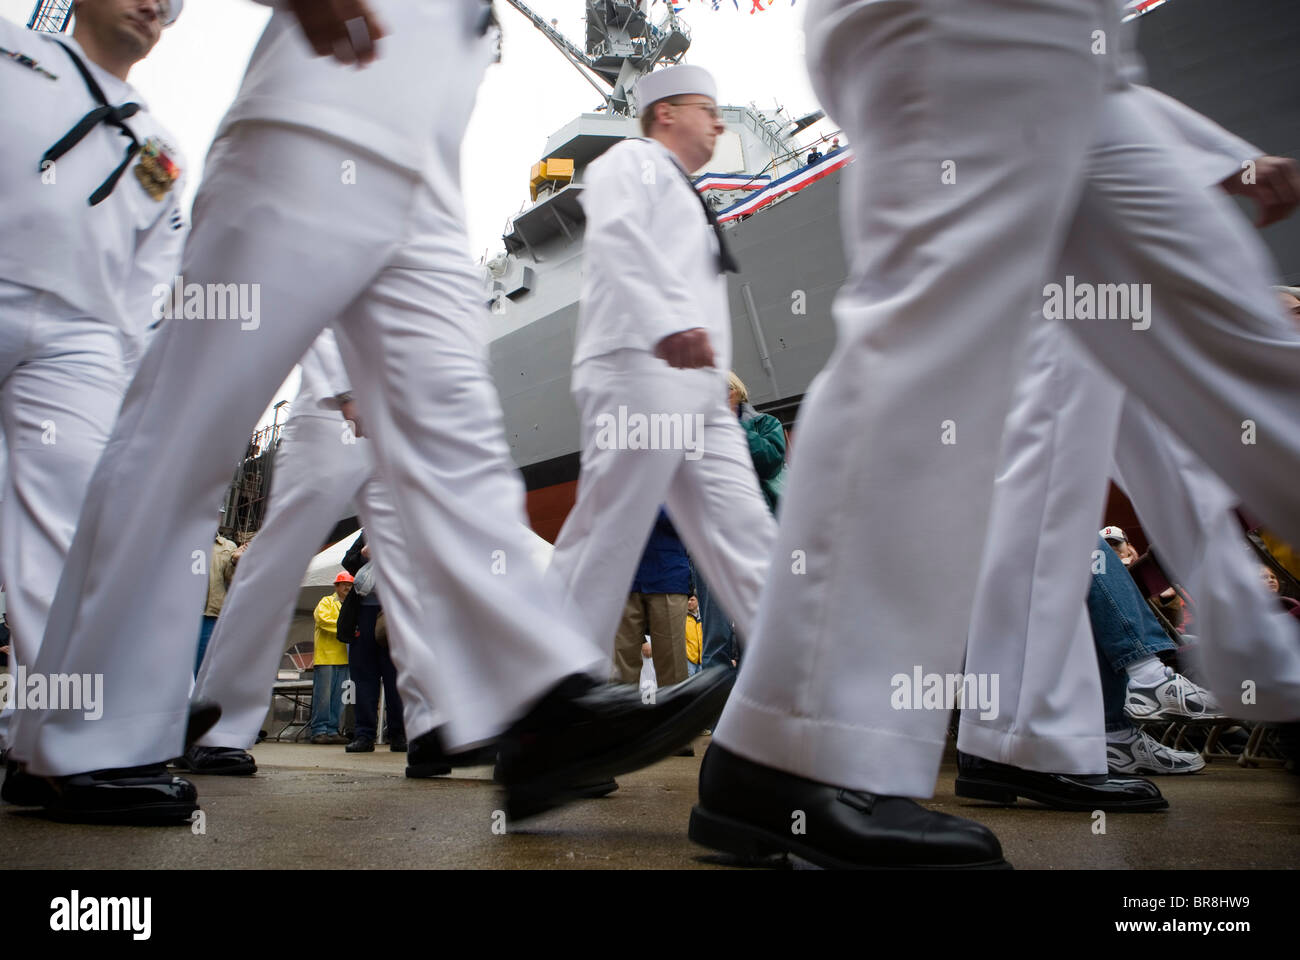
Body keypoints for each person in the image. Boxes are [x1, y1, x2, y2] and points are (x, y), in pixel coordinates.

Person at [8, 1, 730, 825]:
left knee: (457, 442)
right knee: (187, 429)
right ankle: (86, 729)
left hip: (423, 165)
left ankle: (541, 708)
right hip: (316, 114)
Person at [694, 0, 1300, 869]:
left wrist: (1214, 153)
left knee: (1250, 347)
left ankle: (1246, 684)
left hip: (1064, 51)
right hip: (970, 27)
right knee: (924, 364)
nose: (718, 123)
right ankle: (792, 750)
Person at [545, 63, 777, 688]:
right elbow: (618, 235)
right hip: (639, 371)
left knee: (751, 544)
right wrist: (668, 319)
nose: (720, 122)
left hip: (699, 393)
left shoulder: (686, 192)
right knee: (606, 536)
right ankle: (542, 705)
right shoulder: (633, 162)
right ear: (667, 112)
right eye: (708, 108)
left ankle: (797, 734)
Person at [0, 0, 187, 761]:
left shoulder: (161, 149)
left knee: (70, 537)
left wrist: (137, 402)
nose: (153, 6)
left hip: (82, 336)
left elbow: (153, 289)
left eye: (170, 3)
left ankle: (53, 745)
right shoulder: (10, 54)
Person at [613, 510, 691, 688]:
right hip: (625, 577)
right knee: (620, 673)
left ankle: (676, 715)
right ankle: (624, 715)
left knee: (673, 672)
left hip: (667, 575)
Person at [308, 572, 352, 746]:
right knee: (323, 697)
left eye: (350, 585)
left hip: (344, 657)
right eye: (344, 585)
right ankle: (319, 731)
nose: (347, 588)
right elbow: (322, 620)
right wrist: (347, 629)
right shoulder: (326, 602)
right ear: (336, 586)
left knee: (338, 698)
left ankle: (332, 731)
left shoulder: (351, 606)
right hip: (326, 657)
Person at [196, 533, 245, 674]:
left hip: (211, 614)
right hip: (185, 613)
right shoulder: (188, 539)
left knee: (202, 666)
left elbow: (232, 580)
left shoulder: (227, 546)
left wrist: (236, 561)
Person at [685, 594, 702, 678]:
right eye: (688, 600)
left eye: (692, 600)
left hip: (701, 660)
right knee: (689, 688)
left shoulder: (702, 618)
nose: (689, 602)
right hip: (688, 659)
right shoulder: (683, 617)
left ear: (698, 602)